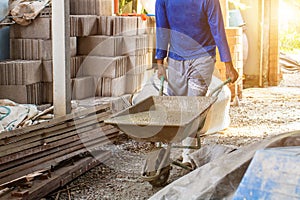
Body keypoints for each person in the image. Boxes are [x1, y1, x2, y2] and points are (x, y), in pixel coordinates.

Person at [155, 0, 239, 167]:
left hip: (203, 57)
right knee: (174, 105)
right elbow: (162, 28)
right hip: (175, 58)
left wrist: (228, 64)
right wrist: (159, 61)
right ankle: (166, 151)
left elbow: (218, 29)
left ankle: (187, 155)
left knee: (193, 106)